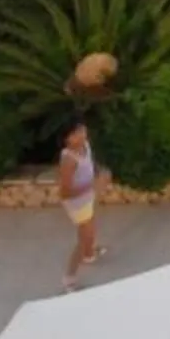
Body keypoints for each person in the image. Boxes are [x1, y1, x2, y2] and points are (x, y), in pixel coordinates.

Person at [58, 117, 100, 290]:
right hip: (76, 204)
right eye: (76, 133)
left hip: (87, 197)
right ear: (66, 138)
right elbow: (65, 192)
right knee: (83, 239)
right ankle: (69, 277)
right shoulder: (68, 160)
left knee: (91, 228)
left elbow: (90, 164)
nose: (82, 135)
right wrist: (92, 185)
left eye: (82, 130)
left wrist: (97, 175)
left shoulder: (85, 146)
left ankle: (90, 254)